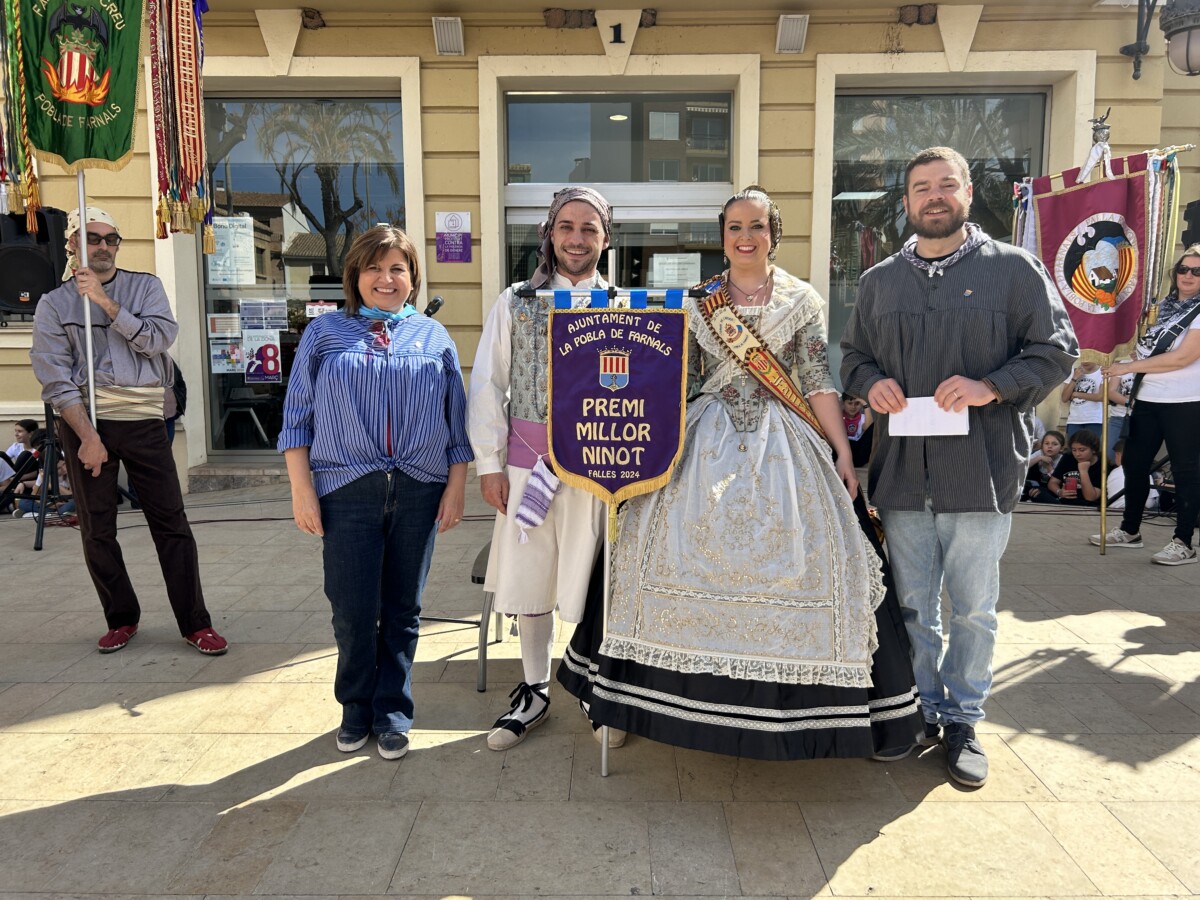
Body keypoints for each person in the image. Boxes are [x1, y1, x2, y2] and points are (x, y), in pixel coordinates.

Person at [558, 185, 925, 761]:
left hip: (786, 442)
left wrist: (842, 453)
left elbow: (816, 381)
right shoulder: (697, 301)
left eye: (757, 226)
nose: (745, 236)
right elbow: (676, 381)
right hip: (704, 437)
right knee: (649, 551)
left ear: (773, 234)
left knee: (830, 559)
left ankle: (841, 711)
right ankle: (628, 700)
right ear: (723, 236)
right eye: (735, 227)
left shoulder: (802, 299)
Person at [841, 147, 1077, 786]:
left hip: (980, 469)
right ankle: (919, 709)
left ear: (968, 193)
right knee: (913, 605)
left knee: (974, 607)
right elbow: (854, 356)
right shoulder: (880, 281)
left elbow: (1057, 352)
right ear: (907, 202)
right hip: (902, 474)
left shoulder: (1014, 270)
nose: (934, 196)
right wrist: (871, 382)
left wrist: (990, 386)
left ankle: (963, 718)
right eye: (922, 187)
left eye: (947, 184)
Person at [280, 225, 472, 760]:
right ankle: (355, 707)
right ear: (355, 275)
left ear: (412, 277)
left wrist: (456, 489)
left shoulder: (434, 338)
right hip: (347, 491)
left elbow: (456, 424)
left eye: (397, 269)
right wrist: (302, 491)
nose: (385, 279)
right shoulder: (324, 334)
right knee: (352, 610)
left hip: (419, 489)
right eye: (373, 268)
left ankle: (392, 710)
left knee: (404, 608)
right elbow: (296, 419)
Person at [29, 206, 228, 656]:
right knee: (97, 528)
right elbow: (55, 377)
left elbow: (158, 340)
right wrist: (88, 437)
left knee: (171, 523)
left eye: (110, 239)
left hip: (143, 419)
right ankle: (121, 617)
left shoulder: (145, 287)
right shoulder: (53, 304)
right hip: (87, 423)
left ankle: (195, 623)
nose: (102, 247)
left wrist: (104, 301)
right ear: (72, 245)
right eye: (92, 238)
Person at [468, 187, 611, 751]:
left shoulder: (625, 305)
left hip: (600, 470)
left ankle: (597, 690)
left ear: (605, 239)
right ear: (550, 233)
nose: (577, 238)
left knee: (593, 580)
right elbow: (488, 382)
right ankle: (534, 689)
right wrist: (489, 464)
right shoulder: (516, 301)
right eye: (566, 227)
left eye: (589, 228)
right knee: (532, 578)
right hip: (529, 466)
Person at [1092, 244, 1200, 565]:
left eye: (1197, 271)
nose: (1188, 276)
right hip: (1147, 398)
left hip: (1185, 401)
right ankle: (1130, 530)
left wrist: (1128, 368)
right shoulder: (1162, 307)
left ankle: (1183, 541)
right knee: (1134, 465)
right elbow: (1144, 349)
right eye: (1183, 269)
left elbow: (1181, 358)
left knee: (1185, 471)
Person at [1028, 430, 1102, 506]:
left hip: (1084, 503)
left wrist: (1083, 472)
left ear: (1093, 449)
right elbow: (1053, 482)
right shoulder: (1068, 457)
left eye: (1082, 450)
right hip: (1064, 499)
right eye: (1074, 450)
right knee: (1036, 491)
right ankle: (1059, 506)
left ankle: (1059, 507)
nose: (1077, 454)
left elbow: (1090, 498)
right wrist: (1059, 492)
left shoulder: (1101, 464)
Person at [842, 392, 874, 468]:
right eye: (850, 403)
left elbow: (868, 428)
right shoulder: (838, 416)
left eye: (857, 403)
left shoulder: (863, 417)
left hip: (859, 452)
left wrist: (865, 404)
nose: (853, 407)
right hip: (843, 449)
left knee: (873, 426)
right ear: (843, 404)